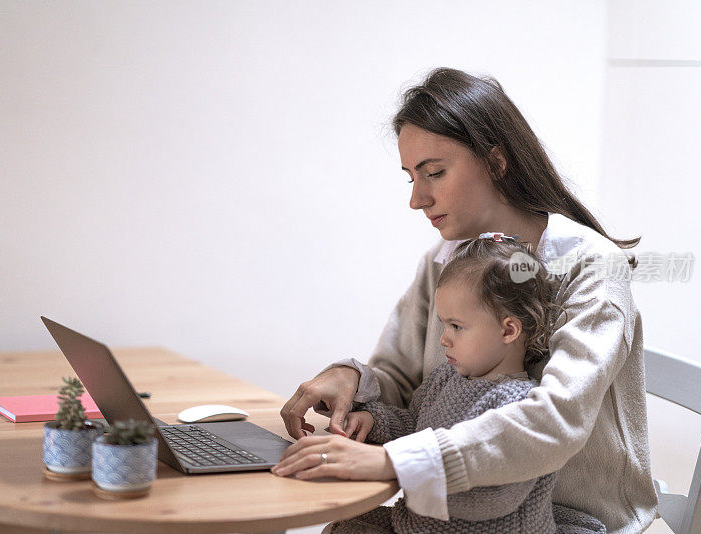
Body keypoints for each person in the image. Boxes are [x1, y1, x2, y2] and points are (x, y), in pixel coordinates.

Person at [274, 68, 658, 533]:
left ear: (496, 163)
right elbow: (403, 382)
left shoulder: (591, 268)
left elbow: (556, 419)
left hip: (572, 521)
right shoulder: (446, 263)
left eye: (434, 172)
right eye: (411, 177)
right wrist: (350, 380)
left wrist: (393, 462)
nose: (418, 199)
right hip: (462, 515)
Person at [321, 235, 606, 533]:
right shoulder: (447, 378)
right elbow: (415, 426)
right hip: (419, 524)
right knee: (340, 527)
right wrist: (374, 421)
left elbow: (492, 498)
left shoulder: (519, 405)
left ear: (508, 329)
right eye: (444, 324)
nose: (444, 338)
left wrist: (405, 469)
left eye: (456, 326)